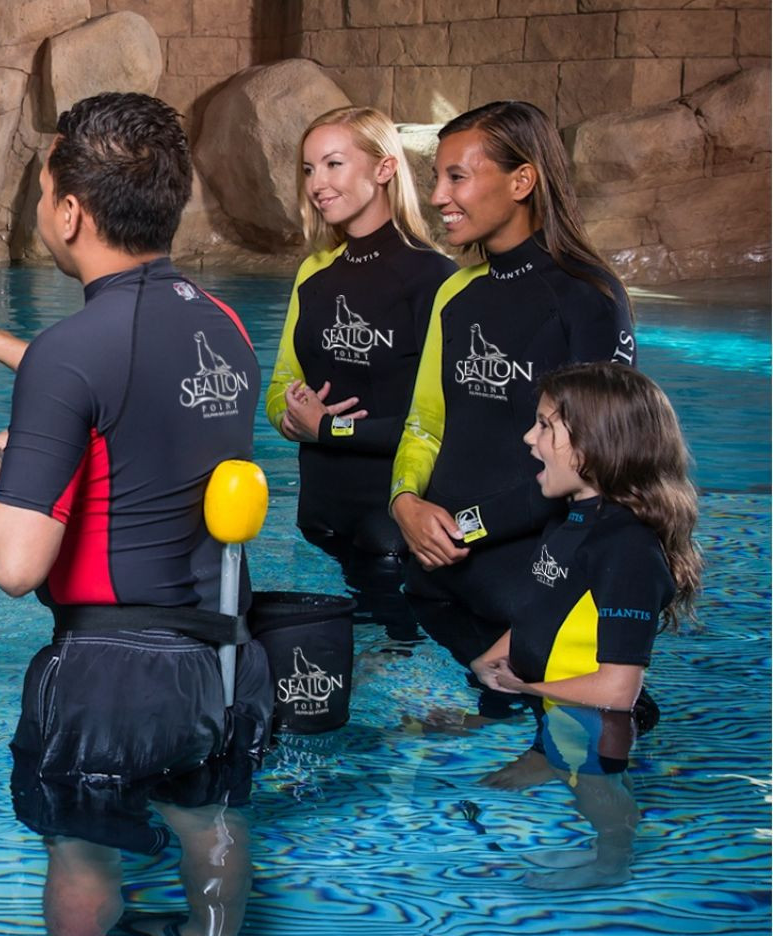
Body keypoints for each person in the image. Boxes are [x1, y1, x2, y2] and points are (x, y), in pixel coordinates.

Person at [0, 93, 270, 936]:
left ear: (69, 210)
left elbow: (17, 564)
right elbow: (127, 388)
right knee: (209, 809)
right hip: (227, 645)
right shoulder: (226, 326)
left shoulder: (73, 351)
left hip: (113, 669)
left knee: (83, 838)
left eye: (43, 186)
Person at [389, 100, 638, 770]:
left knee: (590, 724)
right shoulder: (460, 295)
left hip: (534, 570)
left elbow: (606, 471)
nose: (438, 196)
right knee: (496, 686)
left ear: (522, 181)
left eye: (457, 178)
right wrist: (407, 506)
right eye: (436, 178)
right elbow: (433, 425)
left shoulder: (586, 297)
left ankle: (600, 794)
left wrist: (461, 526)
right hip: (446, 561)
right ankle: (497, 714)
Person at [470, 363, 700, 889]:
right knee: (555, 748)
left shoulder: (628, 550)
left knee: (595, 791)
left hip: (596, 719)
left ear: (594, 448)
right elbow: (548, 610)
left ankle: (610, 863)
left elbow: (617, 692)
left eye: (546, 426)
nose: (530, 439)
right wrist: (495, 654)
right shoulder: (573, 518)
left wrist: (525, 685)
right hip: (558, 704)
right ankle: (547, 756)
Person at [265, 106, 454, 639]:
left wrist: (331, 427)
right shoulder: (314, 272)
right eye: (308, 169)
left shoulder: (436, 279)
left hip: (391, 524)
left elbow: (439, 420)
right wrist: (293, 417)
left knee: (394, 661)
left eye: (333, 164)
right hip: (319, 515)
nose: (317, 184)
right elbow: (280, 387)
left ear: (384, 169)